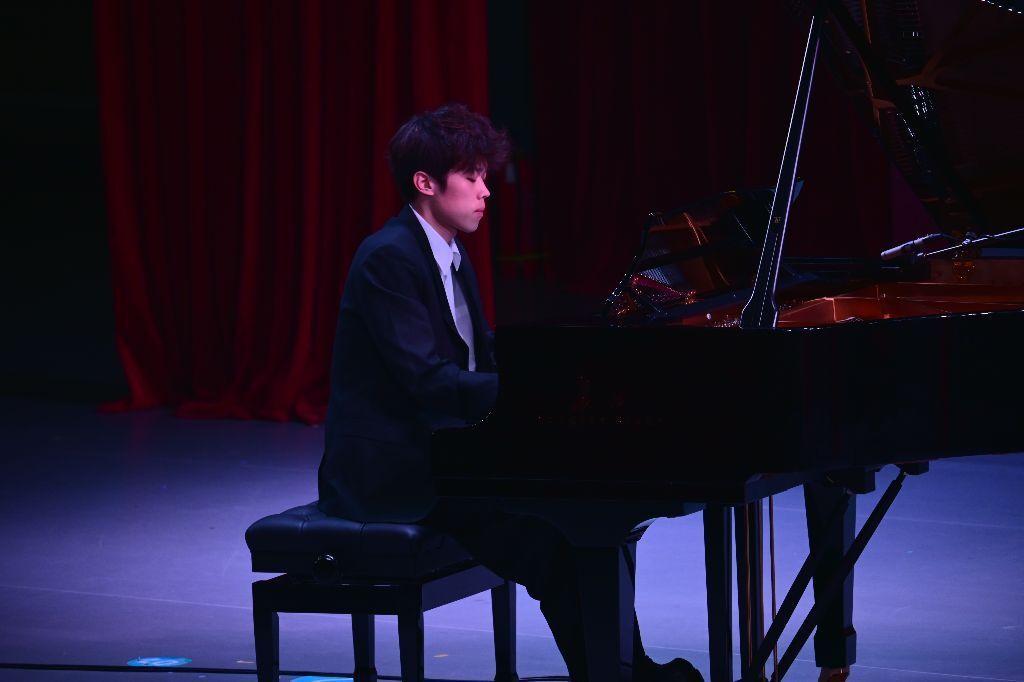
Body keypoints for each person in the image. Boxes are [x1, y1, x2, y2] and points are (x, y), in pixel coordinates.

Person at [317, 103, 703, 682]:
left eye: (485, 176)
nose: (486, 191)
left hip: (449, 453)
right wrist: (528, 391)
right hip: (395, 474)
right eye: (472, 177)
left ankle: (624, 668)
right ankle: (614, 673)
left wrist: (559, 363)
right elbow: (426, 381)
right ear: (425, 183)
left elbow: (481, 353)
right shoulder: (388, 259)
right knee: (553, 538)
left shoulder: (448, 250)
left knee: (592, 517)